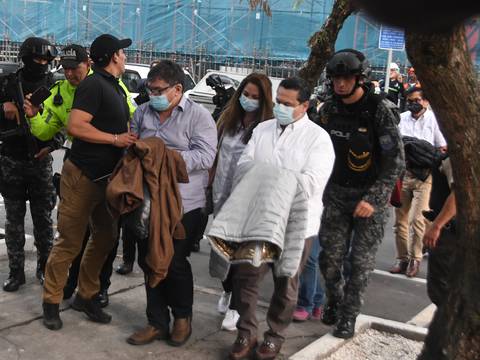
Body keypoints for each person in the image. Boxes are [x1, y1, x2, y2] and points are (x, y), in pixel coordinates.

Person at [223, 77, 335, 360]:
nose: (281, 108)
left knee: (286, 285)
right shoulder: (262, 129)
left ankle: (274, 336)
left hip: (296, 225)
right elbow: (243, 167)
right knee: (246, 278)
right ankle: (246, 331)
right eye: (278, 102)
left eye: (288, 104)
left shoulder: (318, 139)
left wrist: (266, 176)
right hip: (258, 220)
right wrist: (276, 177)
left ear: (304, 105)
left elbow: (310, 184)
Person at [25, 44, 136, 307]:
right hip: (81, 170)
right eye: (65, 68)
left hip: (108, 173)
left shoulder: (112, 87)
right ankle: (53, 299)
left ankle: (93, 292)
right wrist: (33, 116)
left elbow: (131, 116)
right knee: (71, 240)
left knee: (105, 238)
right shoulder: (61, 93)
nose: (70, 73)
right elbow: (44, 132)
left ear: (88, 63)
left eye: (75, 67)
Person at [126, 60, 217, 347]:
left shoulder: (199, 117)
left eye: (158, 90)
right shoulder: (142, 113)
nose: (152, 95)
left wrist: (166, 158)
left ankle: (182, 317)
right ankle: (156, 321)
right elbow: (132, 145)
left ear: (177, 89)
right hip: (146, 201)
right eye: (149, 89)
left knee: (174, 261)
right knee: (148, 260)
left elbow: (205, 157)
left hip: (184, 202)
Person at [318, 49, 404, 339]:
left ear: (360, 79)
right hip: (336, 194)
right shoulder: (328, 109)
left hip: (369, 198)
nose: (340, 84)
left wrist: (374, 199)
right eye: (336, 78)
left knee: (360, 263)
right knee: (329, 259)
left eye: (346, 78)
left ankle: (348, 316)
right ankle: (335, 299)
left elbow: (395, 162)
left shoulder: (380, 110)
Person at [211, 73, 274, 331]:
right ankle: (227, 292)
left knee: (241, 258)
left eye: (255, 97)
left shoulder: (266, 130)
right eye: (246, 95)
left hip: (247, 201)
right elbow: (216, 155)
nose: (249, 100)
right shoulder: (228, 120)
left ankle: (237, 307)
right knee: (221, 253)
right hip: (221, 197)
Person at [0, 37, 60, 292]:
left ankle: (45, 269)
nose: (43, 64)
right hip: (11, 159)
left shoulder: (53, 86)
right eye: (38, 59)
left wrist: (53, 143)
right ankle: (16, 272)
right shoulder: (7, 82)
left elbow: (62, 121)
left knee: (43, 220)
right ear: (25, 58)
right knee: (14, 220)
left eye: (47, 60)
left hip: (40, 161)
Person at [390, 87, 447, 278]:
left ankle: (415, 259)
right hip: (404, 174)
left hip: (426, 176)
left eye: (417, 100)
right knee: (400, 221)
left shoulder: (434, 120)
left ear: (425, 101)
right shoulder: (402, 118)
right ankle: (402, 259)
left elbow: (442, 147)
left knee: (417, 220)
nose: (413, 103)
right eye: (410, 100)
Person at [423, 157, 455, 307]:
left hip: (450, 231)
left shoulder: (458, 158)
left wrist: (437, 226)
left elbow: (457, 196)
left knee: (440, 288)